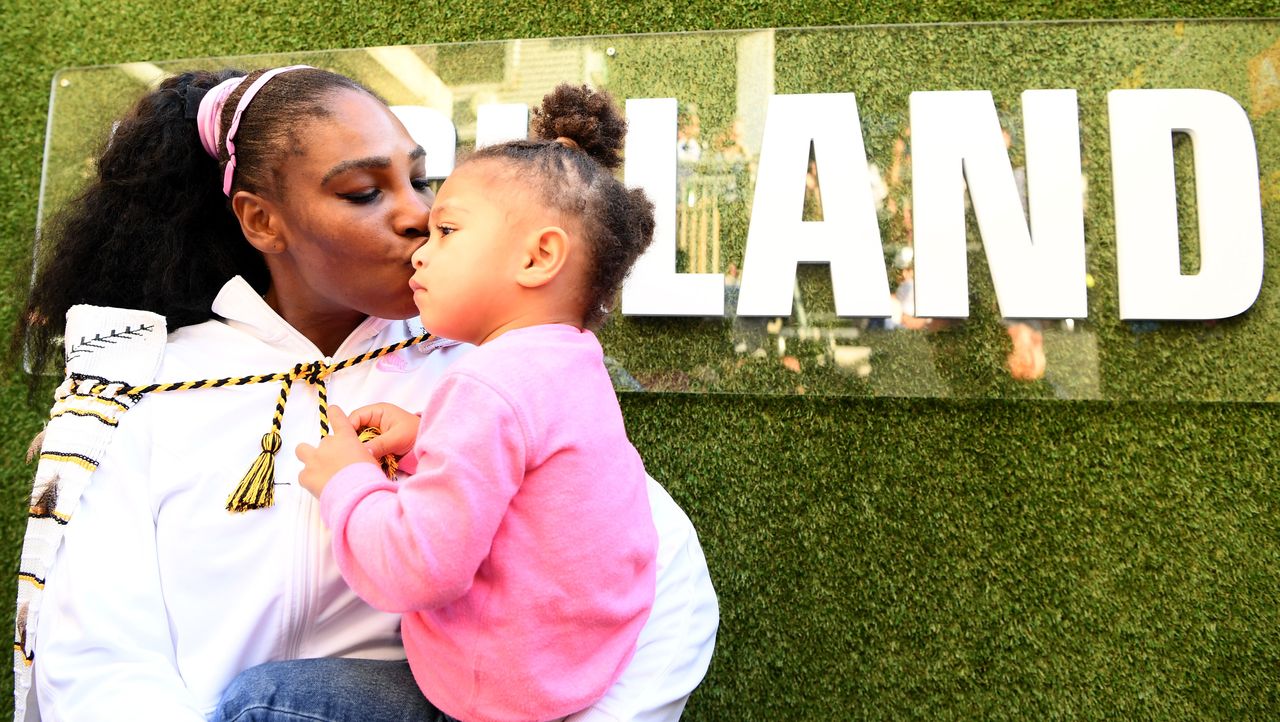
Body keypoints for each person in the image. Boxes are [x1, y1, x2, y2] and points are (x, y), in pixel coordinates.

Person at [12, 66, 718, 722]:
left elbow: (660, 584)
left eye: (421, 182)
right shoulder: (154, 388)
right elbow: (97, 650)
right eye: (364, 192)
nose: (416, 217)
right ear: (261, 220)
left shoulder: (488, 372)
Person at [224, 83, 661, 722]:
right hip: (576, 670)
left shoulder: (484, 386)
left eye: (448, 230)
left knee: (255, 703)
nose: (421, 249)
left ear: (538, 257)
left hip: (492, 696)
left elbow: (418, 571)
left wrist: (346, 481)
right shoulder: (569, 360)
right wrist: (429, 431)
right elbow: (536, 464)